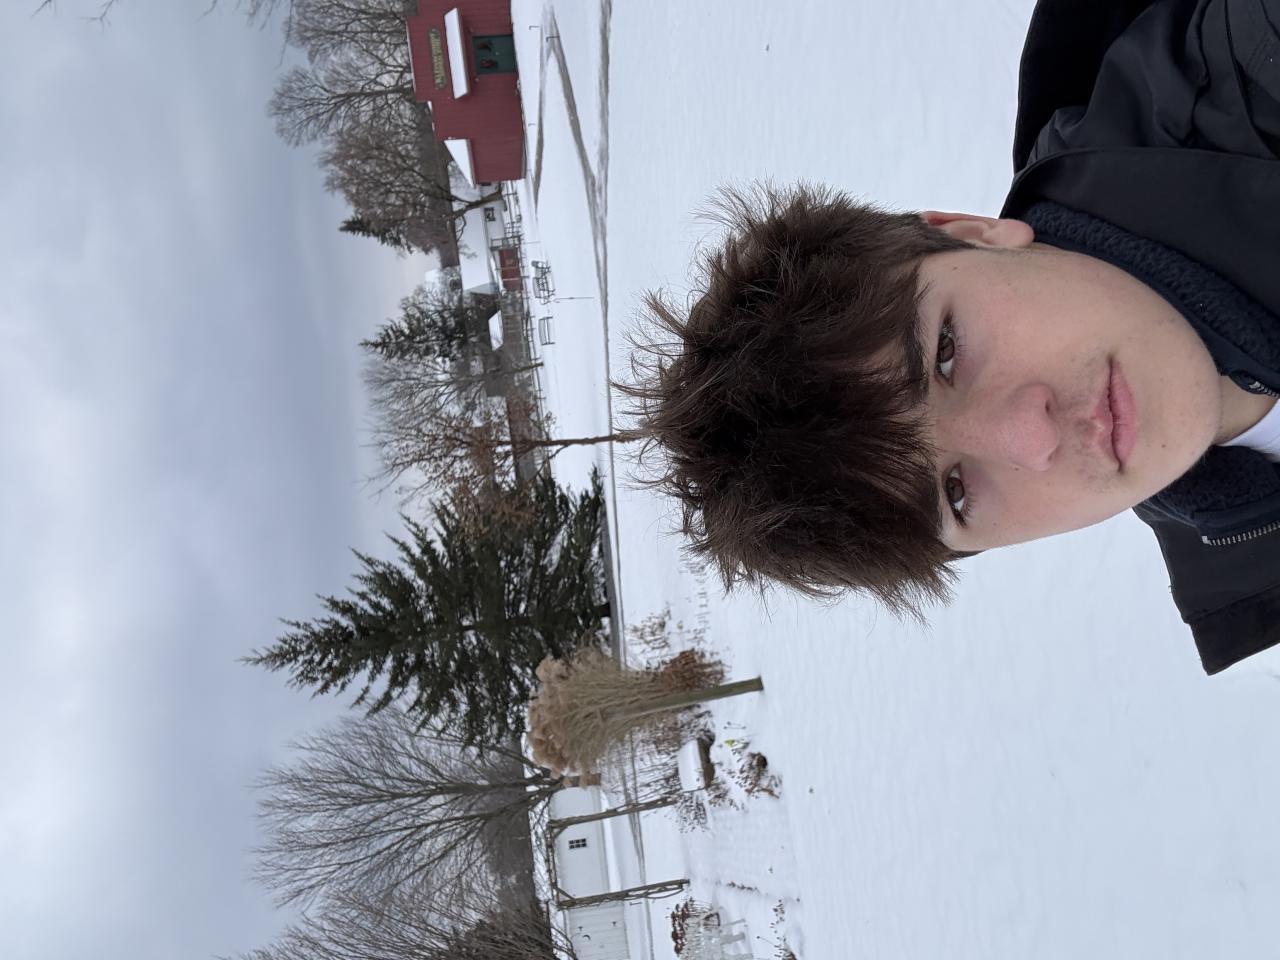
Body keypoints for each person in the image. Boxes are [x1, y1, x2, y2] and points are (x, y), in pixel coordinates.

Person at [618, 0, 1280, 674]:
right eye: (955, 494)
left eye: (945, 352)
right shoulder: (1247, 571)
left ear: (973, 234)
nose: (1031, 439)